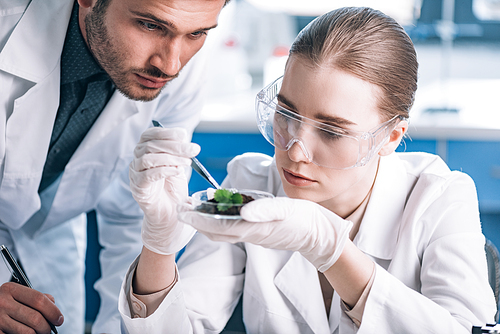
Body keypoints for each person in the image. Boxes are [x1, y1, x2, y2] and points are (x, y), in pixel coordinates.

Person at [120, 7, 497, 334]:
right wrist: (159, 244)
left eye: (332, 131)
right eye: (286, 115)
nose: (295, 149)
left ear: (391, 137)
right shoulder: (250, 184)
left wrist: (332, 251)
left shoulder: (439, 199)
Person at [0, 0, 229, 333]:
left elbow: (133, 213)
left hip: (49, 231)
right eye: (150, 25)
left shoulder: (182, 65)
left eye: (197, 33)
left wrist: (122, 323)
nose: (169, 64)